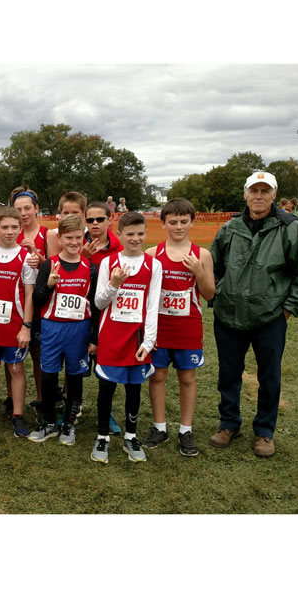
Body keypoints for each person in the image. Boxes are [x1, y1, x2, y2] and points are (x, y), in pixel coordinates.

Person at [209, 171, 298, 458]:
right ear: (245, 194)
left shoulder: (291, 229)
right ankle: (228, 423)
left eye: (265, 191)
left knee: (269, 376)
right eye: (254, 191)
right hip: (229, 315)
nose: (259, 196)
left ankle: (264, 431)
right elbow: (214, 266)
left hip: (270, 317)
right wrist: (219, 294)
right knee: (228, 374)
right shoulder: (230, 227)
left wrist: (287, 309)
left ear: (274, 195)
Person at [142, 199, 215, 457]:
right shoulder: (152, 254)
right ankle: (159, 426)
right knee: (157, 376)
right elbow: (144, 295)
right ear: (162, 224)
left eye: (184, 221)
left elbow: (209, 295)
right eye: (172, 222)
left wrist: (199, 272)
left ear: (192, 223)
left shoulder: (202, 255)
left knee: (187, 378)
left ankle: (186, 429)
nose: (178, 226)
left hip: (188, 328)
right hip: (160, 329)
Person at [91, 211, 161, 464]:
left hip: (137, 339)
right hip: (111, 336)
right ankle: (102, 436)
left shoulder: (154, 265)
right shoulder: (109, 263)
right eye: (129, 234)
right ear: (119, 234)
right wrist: (114, 284)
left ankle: (131, 436)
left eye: (140, 234)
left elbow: (152, 306)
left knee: (134, 389)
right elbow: (99, 303)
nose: (135, 238)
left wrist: (148, 342)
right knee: (106, 388)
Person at [28, 214, 93, 447]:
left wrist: (93, 337)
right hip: (52, 328)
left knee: (74, 377)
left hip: (78, 329)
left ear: (83, 239)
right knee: (48, 375)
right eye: (69, 238)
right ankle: (48, 422)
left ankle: (69, 423)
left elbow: (94, 304)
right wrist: (49, 285)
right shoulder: (50, 264)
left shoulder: (90, 267)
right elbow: (36, 298)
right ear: (60, 238)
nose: (74, 242)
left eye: (78, 238)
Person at [0, 207, 37, 438]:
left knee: (15, 368)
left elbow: (29, 294)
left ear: (20, 229)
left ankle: (18, 415)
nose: (9, 232)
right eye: (5, 227)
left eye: (14, 227)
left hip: (15, 325)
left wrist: (26, 326)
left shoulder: (26, 257)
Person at [83, 201, 124, 435]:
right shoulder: (77, 243)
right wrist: (83, 257)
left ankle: (105, 413)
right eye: (90, 220)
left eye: (100, 219)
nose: (95, 223)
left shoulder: (120, 248)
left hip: (108, 317)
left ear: (110, 220)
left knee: (105, 367)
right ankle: (72, 406)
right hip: (79, 314)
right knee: (74, 365)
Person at [9, 186, 46, 418]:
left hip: (42, 306)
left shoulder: (47, 234)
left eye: (27, 208)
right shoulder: (9, 232)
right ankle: (11, 399)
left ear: (36, 209)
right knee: (11, 355)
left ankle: (42, 400)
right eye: (18, 209)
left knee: (38, 356)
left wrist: (38, 257)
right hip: (15, 307)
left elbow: (55, 268)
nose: (23, 213)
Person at [46, 191, 87, 259]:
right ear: (60, 214)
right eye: (66, 213)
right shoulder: (53, 235)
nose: (70, 216)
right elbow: (51, 264)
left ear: (83, 213)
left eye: (75, 212)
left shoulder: (90, 234)